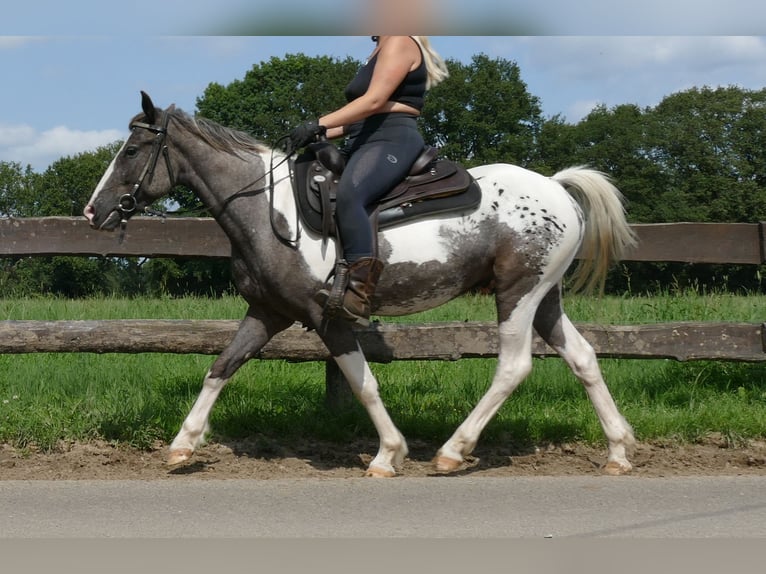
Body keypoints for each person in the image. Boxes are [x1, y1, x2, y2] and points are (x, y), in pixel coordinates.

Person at [288, 35, 449, 325]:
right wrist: (316, 134)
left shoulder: (400, 41)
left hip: (392, 138)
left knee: (351, 194)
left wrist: (319, 122)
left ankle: (359, 295)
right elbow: (357, 119)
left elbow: (373, 101)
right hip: (364, 137)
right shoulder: (377, 50)